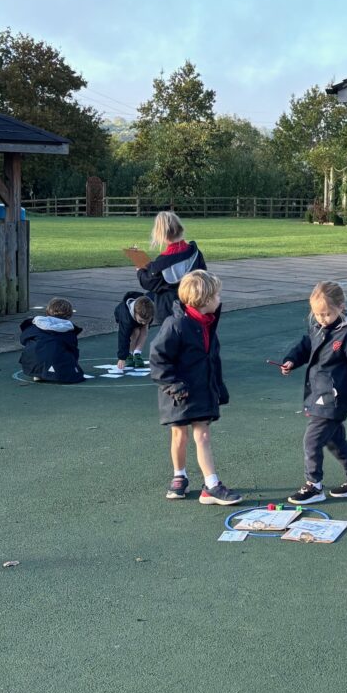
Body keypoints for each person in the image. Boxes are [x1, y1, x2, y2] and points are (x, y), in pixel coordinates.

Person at [149, 270, 241, 505]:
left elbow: (212, 359)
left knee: (203, 435)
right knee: (179, 435)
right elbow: (158, 358)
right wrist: (173, 384)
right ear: (204, 299)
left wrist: (218, 387)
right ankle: (179, 475)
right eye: (217, 295)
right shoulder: (176, 324)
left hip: (201, 389)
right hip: (178, 392)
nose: (220, 299)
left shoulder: (208, 323)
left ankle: (211, 485)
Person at [280, 281, 347, 505]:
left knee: (312, 441)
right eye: (317, 314)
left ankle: (314, 485)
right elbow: (306, 345)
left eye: (326, 314)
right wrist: (292, 360)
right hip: (318, 392)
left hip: (334, 397)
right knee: (334, 440)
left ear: (340, 307)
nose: (321, 319)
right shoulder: (318, 327)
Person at [137, 211, 206, 325]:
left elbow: (148, 282)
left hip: (168, 311)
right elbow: (203, 275)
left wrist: (140, 270)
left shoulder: (162, 262)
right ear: (180, 229)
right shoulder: (195, 253)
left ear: (161, 234)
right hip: (193, 305)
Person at [19, 297, 85, 383]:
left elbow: (23, 339)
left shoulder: (35, 325)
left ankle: (37, 373)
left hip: (32, 363)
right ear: (69, 314)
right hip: (56, 364)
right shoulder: (68, 330)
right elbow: (73, 349)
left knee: (35, 349)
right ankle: (53, 372)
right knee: (66, 357)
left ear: (48, 311)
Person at [114, 291, 155, 370]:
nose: (143, 323)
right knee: (135, 332)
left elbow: (154, 293)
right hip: (124, 315)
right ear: (135, 313)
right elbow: (123, 337)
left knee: (144, 328)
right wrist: (122, 357)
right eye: (141, 321)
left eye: (147, 320)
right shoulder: (126, 319)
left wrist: (144, 322)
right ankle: (130, 354)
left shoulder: (149, 310)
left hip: (136, 317)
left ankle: (137, 354)